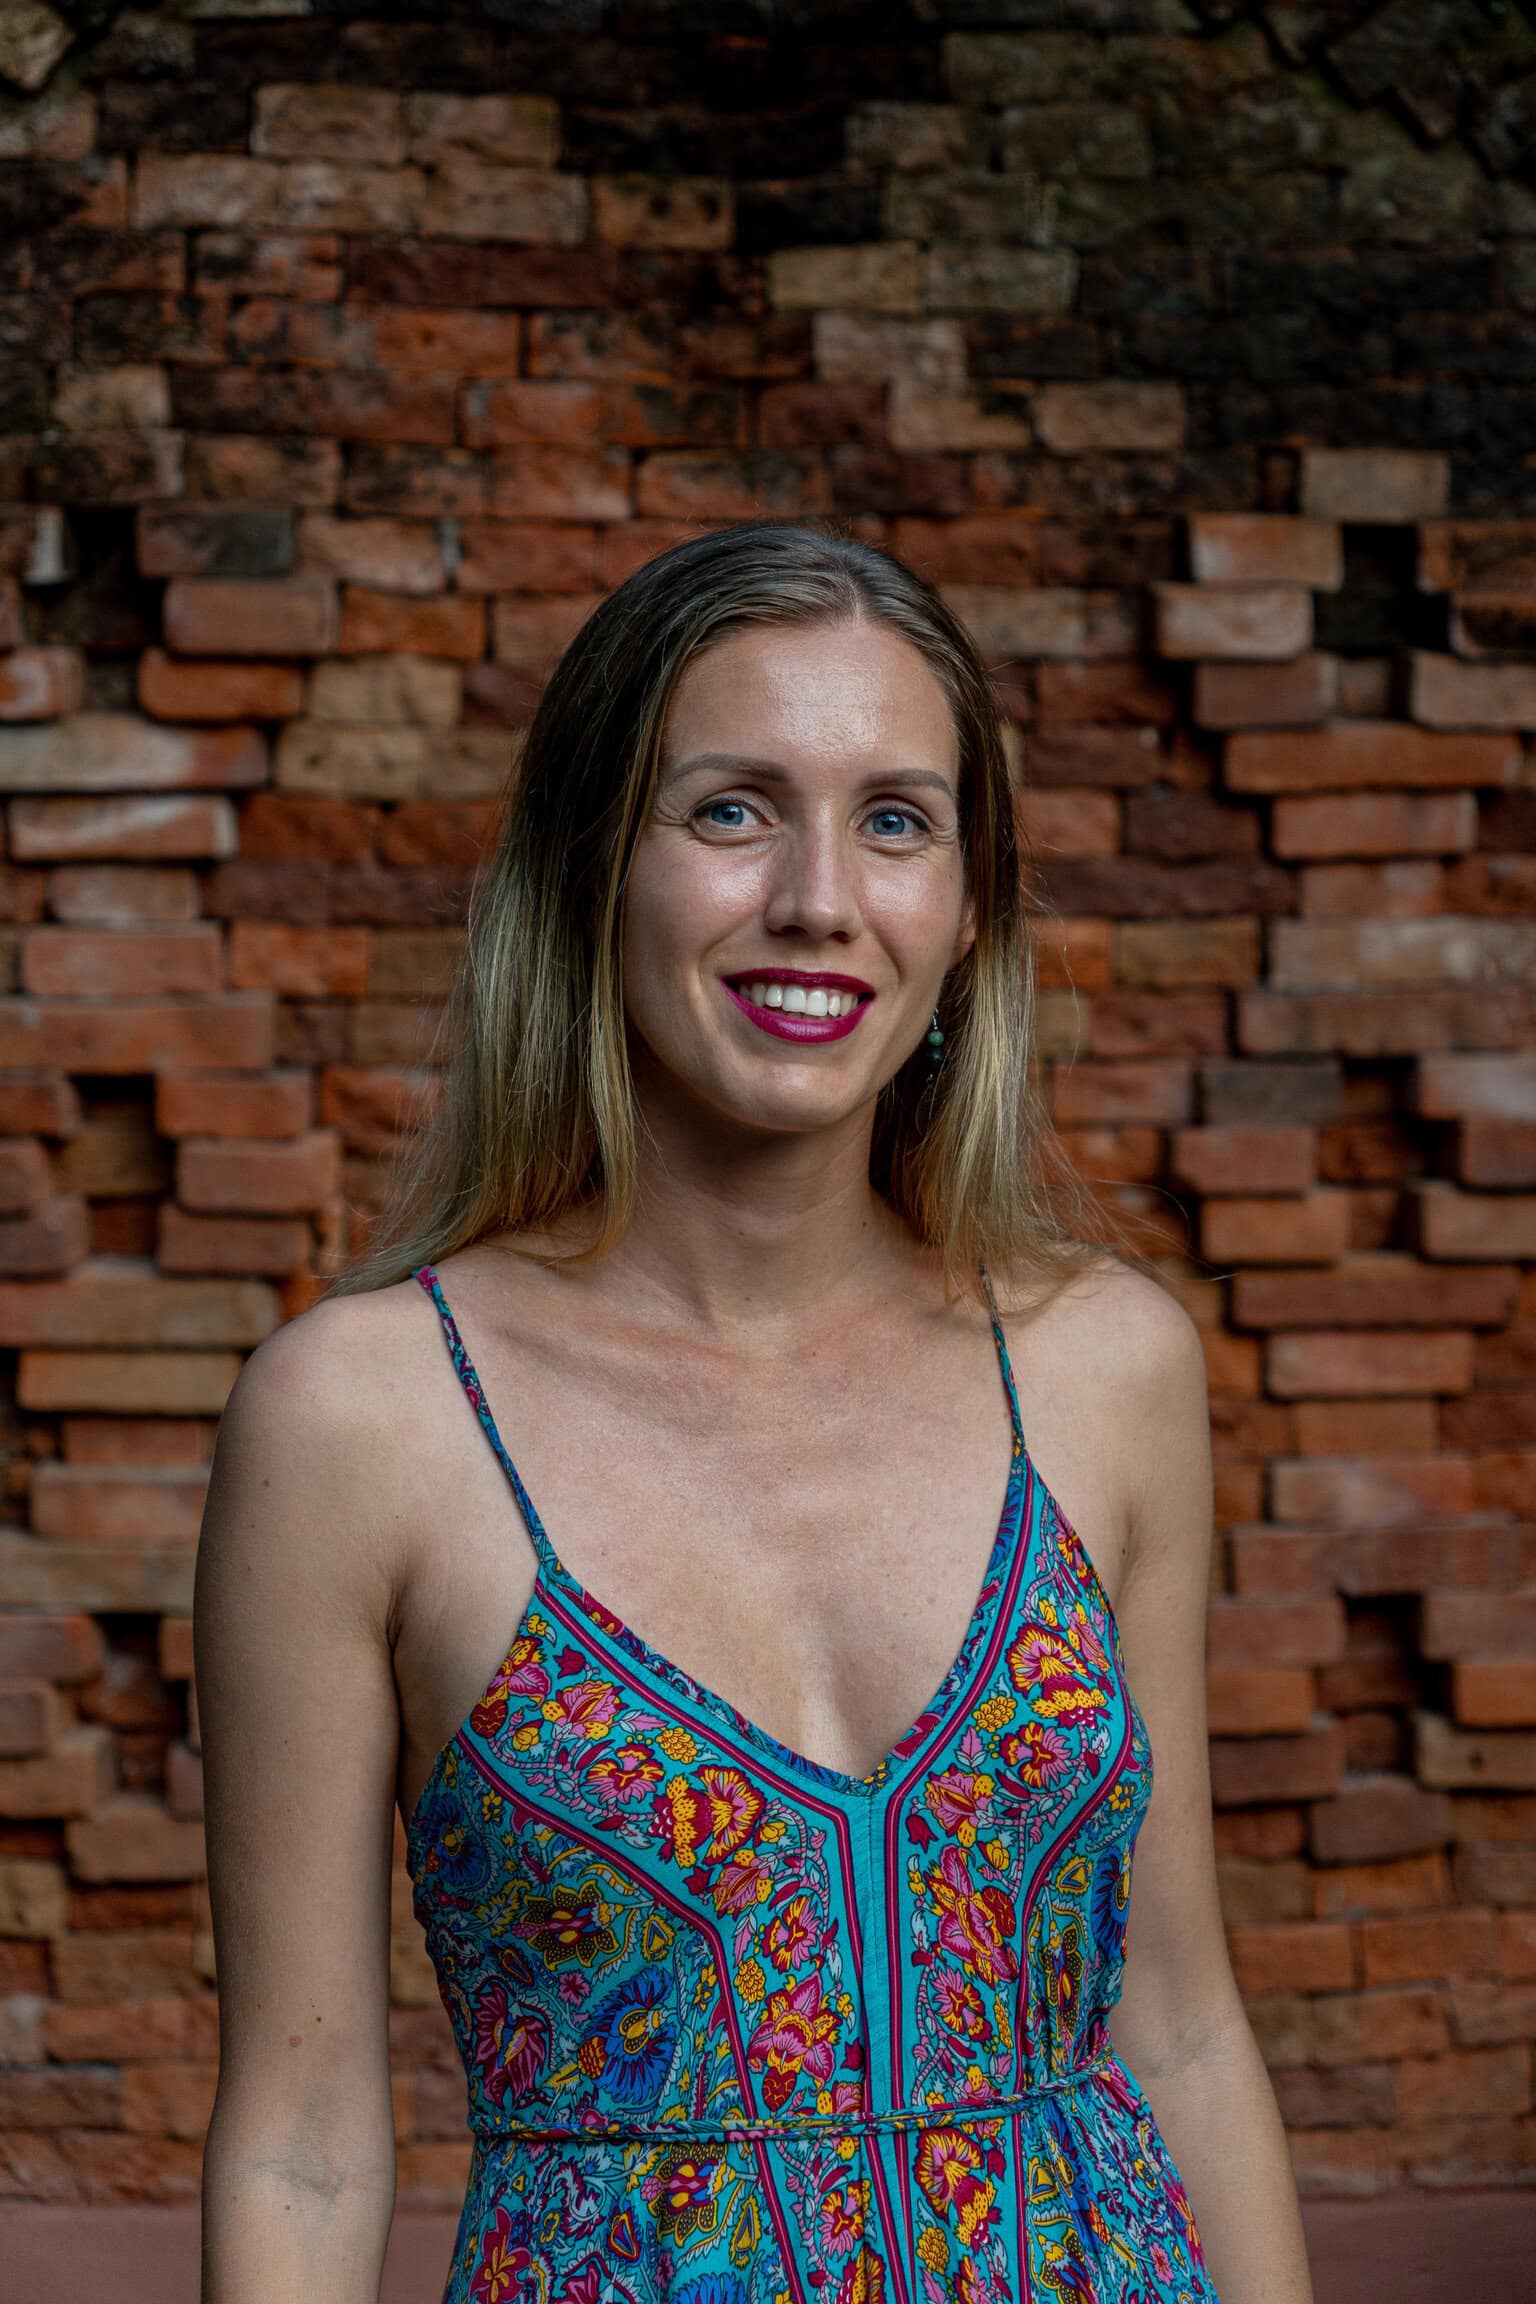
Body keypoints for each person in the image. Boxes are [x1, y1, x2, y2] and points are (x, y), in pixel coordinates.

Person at [194, 523, 1314, 2304]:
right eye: (731, 809)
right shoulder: (362, 1421)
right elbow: (303, 2139)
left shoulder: (1104, 1369)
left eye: (898, 821)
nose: (819, 899)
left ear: (968, 909)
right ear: (591, 868)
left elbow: (1177, 2021)